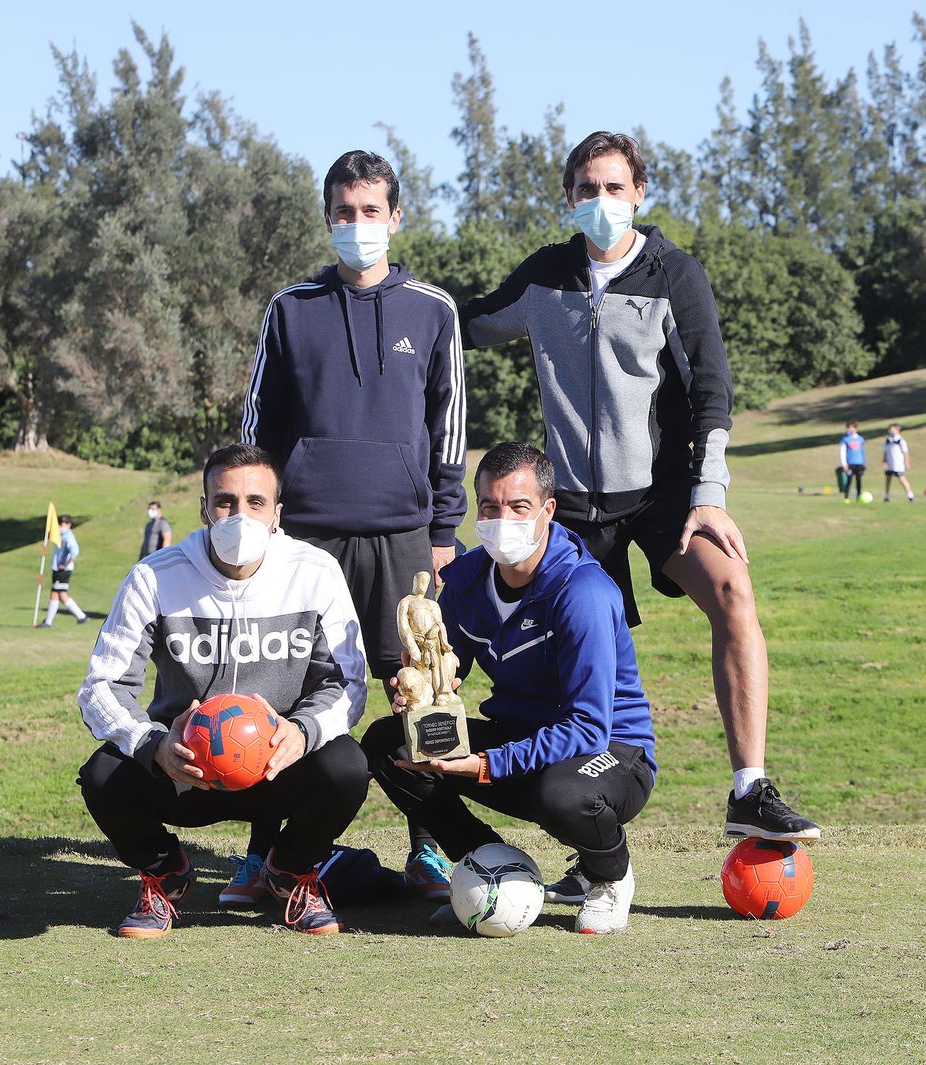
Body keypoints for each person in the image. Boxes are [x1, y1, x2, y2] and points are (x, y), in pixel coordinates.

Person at [459, 131, 818, 842]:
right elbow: (466, 322)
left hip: (661, 496)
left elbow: (713, 387)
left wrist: (708, 492)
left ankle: (749, 788)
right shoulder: (546, 278)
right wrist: (393, 293)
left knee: (733, 591)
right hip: (575, 513)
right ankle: (585, 828)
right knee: (578, 662)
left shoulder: (673, 272)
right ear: (569, 198)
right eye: (587, 189)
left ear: (639, 194)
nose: (601, 201)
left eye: (614, 188)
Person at [238, 148, 467, 903]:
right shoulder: (289, 308)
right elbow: (258, 431)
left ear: (396, 218)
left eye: (371, 212)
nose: (357, 225)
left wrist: (443, 528)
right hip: (302, 536)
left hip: (403, 534)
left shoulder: (433, 310)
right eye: (344, 212)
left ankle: (431, 847)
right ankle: (270, 855)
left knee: (419, 691)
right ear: (327, 218)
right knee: (286, 692)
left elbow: (448, 429)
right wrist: (257, 520)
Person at [76, 444, 370, 938]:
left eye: (256, 502)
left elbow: (347, 682)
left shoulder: (315, 571)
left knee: (347, 767)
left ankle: (291, 871)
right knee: (103, 775)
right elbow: (101, 687)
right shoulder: (154, 576)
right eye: (225, 502)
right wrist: (153, 745)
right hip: (187, 770)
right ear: (204, 509)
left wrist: (302, 732)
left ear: (277, 513)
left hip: (279, 768)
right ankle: (164, 875)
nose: (240, 515)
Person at [361, 443, 656, 934]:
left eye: (519, 507)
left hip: (611, 751)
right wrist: (419, 692)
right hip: (522, 736)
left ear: (548, 510)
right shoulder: (466, 579)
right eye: (490, 507)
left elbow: (587, 726)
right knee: (390, 744)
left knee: (562, 793)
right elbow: (448, 668)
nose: (503, 520)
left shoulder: (584, 592)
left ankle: (608, 875)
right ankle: (494, 867)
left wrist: (485, 765)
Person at [37, 515, 89, 627]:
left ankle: (50, 621)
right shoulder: (61, 536)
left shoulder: (68, 537)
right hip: (58, 569)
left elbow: (75, 552)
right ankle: (80, 617)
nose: (61, 526)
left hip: (63, 571)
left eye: (63, 524)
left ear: (69, 525)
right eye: (59, 524)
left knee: (58, 594)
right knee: (58, 595)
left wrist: (65, 564)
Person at [882, 422, 915, 502]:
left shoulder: (901, 441)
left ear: (897, 430)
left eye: (892, 429)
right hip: (890, 464)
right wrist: (884, 462)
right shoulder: (888, 440)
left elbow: (905, 453)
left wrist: (906, 462)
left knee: (902, 479)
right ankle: (887, 496)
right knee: (888, 479)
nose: (890, 431)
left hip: (898, 464)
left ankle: (910, 495)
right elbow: (885, 452)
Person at [838, 420, 868, 503]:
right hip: (850, 464)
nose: (851, 429)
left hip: (859, 463)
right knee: (849, 481)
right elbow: (842, 452)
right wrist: (844, 463)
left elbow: (863, 452)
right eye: (849, 427)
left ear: (856, 428)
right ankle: (846, 497)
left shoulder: (860, 439)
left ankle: (859, 496)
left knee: (859, 481)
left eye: (853, 427)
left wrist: (864, 463)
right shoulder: (845, 439)